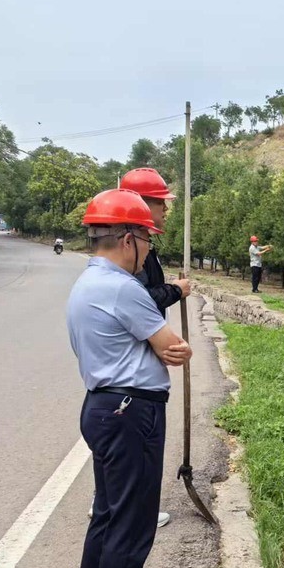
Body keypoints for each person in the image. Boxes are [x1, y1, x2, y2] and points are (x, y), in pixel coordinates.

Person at [67, 189, 192, 568]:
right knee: (132, 520)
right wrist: (176, 351)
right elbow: (172, 346)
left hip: (102, 404)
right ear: (127, 239)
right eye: (147, 239)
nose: (149, 250)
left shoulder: (86, 283)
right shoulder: (124, 288)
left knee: (107, 514)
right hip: (130, 412)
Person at [118, 168, 192, 529]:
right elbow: (141, 300)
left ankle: (110, 501)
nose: (165, 209)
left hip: (126, 367)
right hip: (135, 369)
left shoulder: (141, 247)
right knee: (136, 443)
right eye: (161, 202)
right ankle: (136, 514)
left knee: (119, 447)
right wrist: (177, 290)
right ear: (142, 203)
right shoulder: (133, 254)